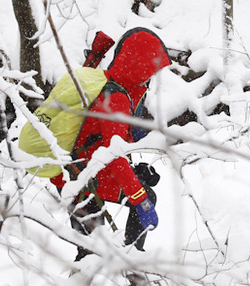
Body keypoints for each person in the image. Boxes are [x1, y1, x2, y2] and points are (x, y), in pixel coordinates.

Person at [49, 27, 171, 260]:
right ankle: (131, 260)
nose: (150, 78)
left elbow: (111, 141)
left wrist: (136, 167)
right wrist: (140, 200)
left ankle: (128, 261)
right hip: (82, 178)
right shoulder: (115, 98)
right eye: (149, 71)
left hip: (88, 169)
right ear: (139, 67)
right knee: (92, 252)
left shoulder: (112, 83)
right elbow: (113, 156)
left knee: (93, 247)